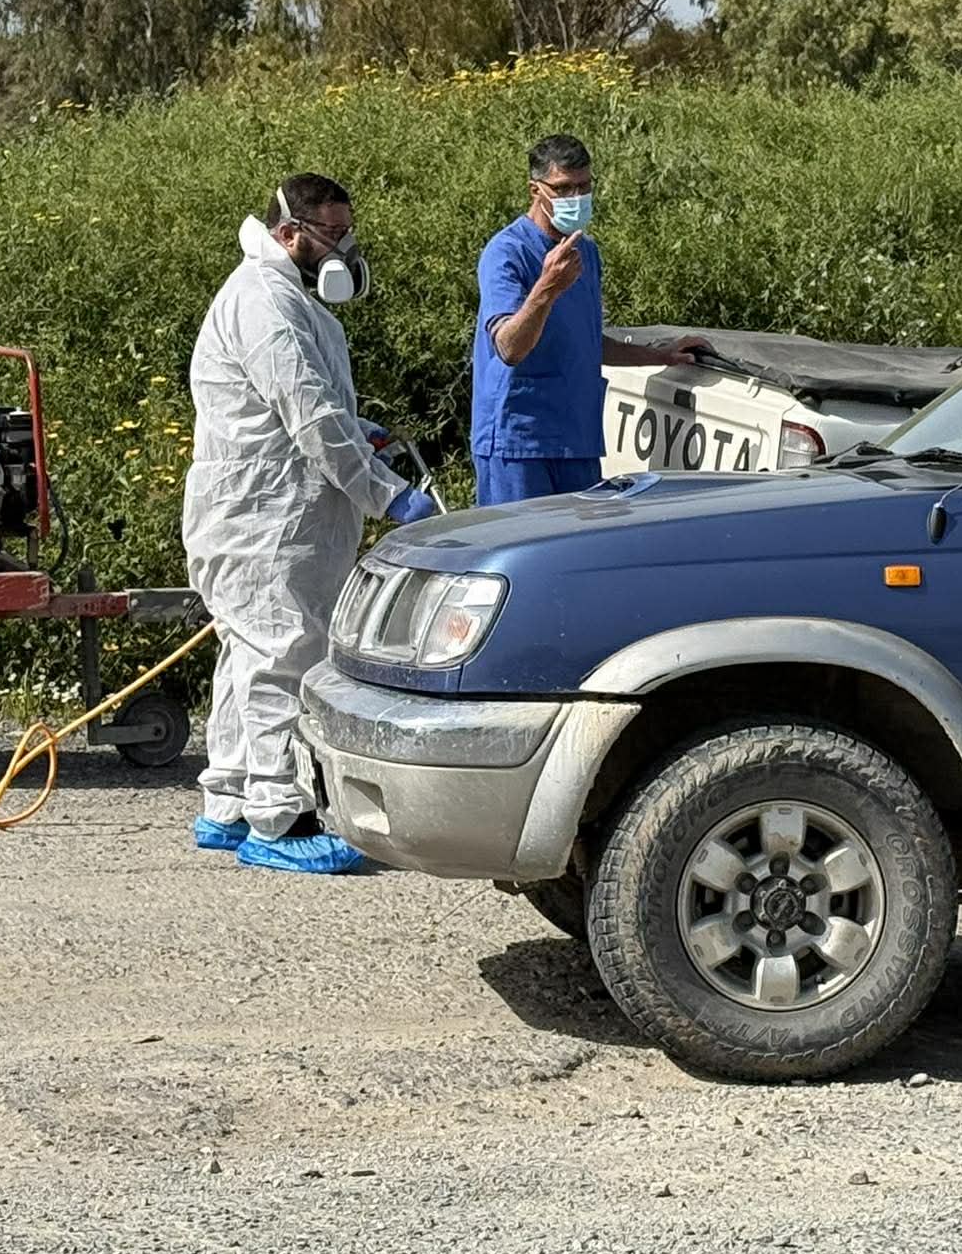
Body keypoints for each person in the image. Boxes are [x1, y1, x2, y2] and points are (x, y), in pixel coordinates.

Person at [183, 175, 440, 874]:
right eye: (333, 235)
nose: (346, 249)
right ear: (290, 234)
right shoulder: (265, 301)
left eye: (347, 232)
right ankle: (280, 817)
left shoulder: (282, 295)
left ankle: (228, 804)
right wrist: (388, 495)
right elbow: (311, 421)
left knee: (250, 656)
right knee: (283, 659)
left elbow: (301, 406)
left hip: (265, 513)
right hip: (263, 522)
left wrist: (360, 430)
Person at [471, 134, 707, 505]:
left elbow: (586, 341)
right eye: (564, 189)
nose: (575, 199)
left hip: (576, 439)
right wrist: (546, 287)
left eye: (584, 187)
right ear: (536, 190)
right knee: (522, 554)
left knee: (575, 556)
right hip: (520, 442)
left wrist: (660, 355)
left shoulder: (585, 251)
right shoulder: (507, 252)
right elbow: (509, 348)